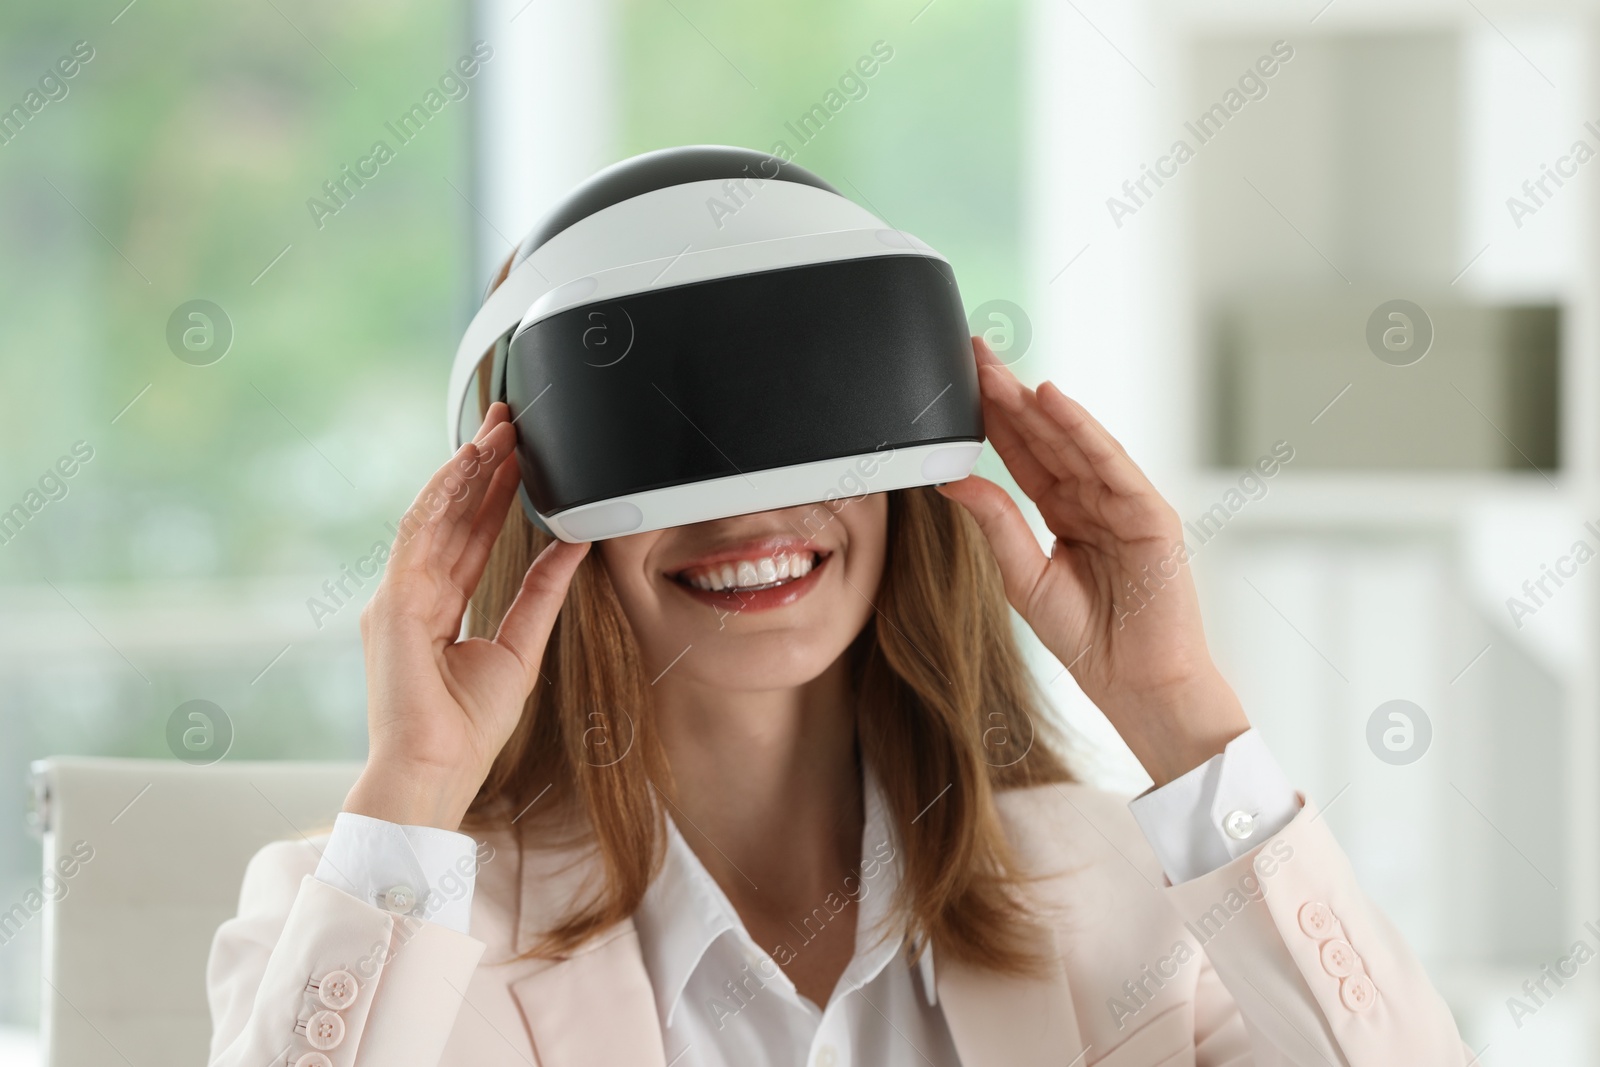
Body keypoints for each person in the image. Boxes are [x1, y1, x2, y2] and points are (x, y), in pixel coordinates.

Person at [207, 265, 1471, 1066]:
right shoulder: (394, 920)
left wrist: (1180, 714)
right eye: (666, 444)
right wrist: (416, 784)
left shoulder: (1128, 887)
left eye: (804, 429)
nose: (752, 509)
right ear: (539, 496)